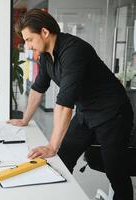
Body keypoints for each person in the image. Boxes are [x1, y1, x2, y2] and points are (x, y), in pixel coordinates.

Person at [8, 8, 134, 200]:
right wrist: (25, 119)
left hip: (112, 115)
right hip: (86, 112)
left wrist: (51, 145)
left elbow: (65, 106)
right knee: (63, 158)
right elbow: (37, 89)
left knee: (116, 173)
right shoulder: (45, 57)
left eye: (29, 39)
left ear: (44, 32)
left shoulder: (73, 50)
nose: (28, 45)